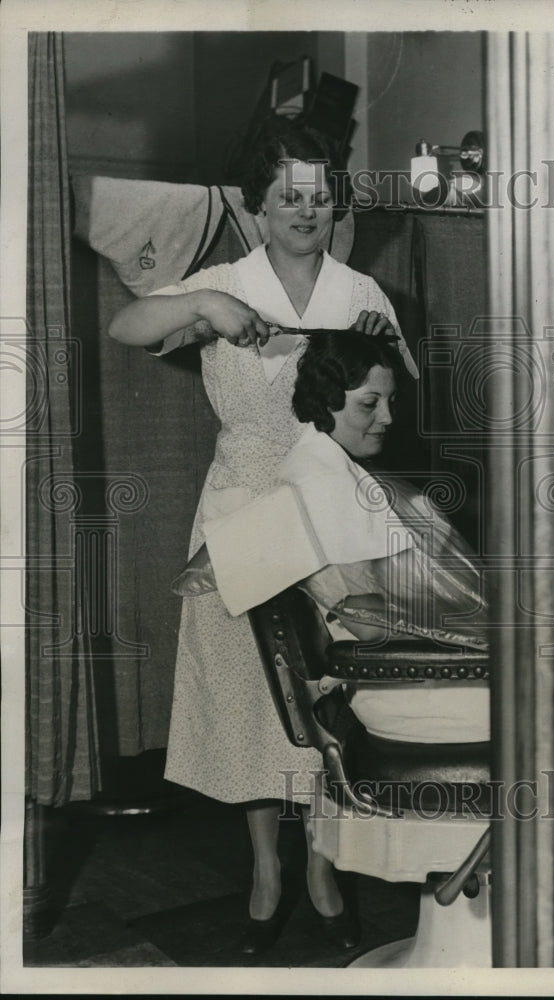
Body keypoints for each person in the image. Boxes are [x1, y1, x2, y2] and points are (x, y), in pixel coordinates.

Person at [108, 120, 417, 955]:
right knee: (248, 695)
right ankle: (264, 868)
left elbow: (389, 400)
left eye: (319, 196)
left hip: (329, 514)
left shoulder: (359, 292)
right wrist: (202, 306)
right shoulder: (222, 283)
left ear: (334, 203)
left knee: (326, 693)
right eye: (288, 197)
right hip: (238, 511)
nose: (305, 211)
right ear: (259, 205)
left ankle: (321, 863)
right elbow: (127, 326)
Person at [176, 330, 490, 745]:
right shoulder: (322, 492)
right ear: (327, 402)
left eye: (391, 401)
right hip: (415, 686)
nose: (388, 418)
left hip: (431, 676)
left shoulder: (341, 478)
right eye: (369, 404)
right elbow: (370, 626)